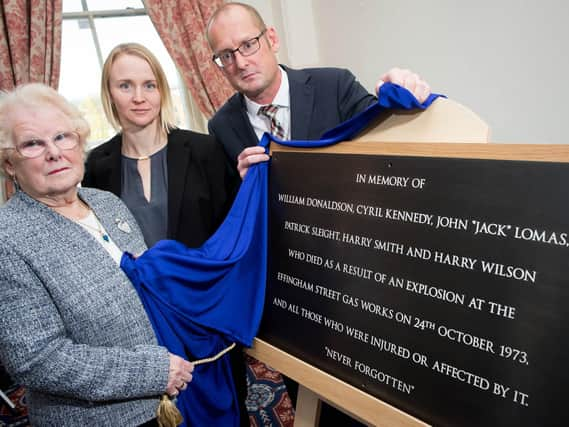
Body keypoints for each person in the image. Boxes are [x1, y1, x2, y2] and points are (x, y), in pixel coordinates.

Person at [0, 83, 194, 426]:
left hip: (165, 401)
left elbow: (147, 287)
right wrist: (153, 371)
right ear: (9, 163)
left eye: (63, 136)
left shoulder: (106, 202)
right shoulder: (8, 238)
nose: (54, 152)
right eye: (32, 144)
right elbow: (38, 359)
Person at [81, 43, 248, 424]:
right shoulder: (96, 167)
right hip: (139, 325)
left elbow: (230, 234)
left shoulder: (206, 150)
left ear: (163, 90)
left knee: (222, 410)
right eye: (125, 86)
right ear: (109, 94)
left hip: (203, 318)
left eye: (149, 84)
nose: (139, 97)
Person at [206, 2, 432, 178]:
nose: (241, 63)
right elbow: (228, 211)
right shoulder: (221, 127)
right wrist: (246, 188)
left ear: (272, 40)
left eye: (248, 45)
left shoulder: (335, 86)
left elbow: (387, 133)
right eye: (226, 55)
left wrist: (401, 95)